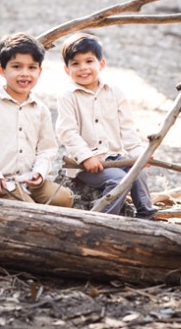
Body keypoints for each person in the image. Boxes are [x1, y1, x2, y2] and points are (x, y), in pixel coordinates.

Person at [55, 32, 159, 220]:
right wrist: (86, 157)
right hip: (85, 166)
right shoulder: (68, 96)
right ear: (66, 69)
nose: (83, 68)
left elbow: (127, 128)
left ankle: (146, 216)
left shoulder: (115, 93)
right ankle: (105, 221)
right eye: (75, 64)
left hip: (116, 157)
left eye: (89, 61)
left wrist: (139, 155)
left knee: (138, 172)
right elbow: (67, 132)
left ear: (101, 64)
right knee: (118, 179)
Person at [0, 32, 74, 207]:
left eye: (32, 67)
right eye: (16, 67)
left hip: (28, 181)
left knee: (65, 199)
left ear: (39, 71)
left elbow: (47, 149)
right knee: (28, 208)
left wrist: (39, 172)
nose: (25, 74)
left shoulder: (40, 109)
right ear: (2, 70)